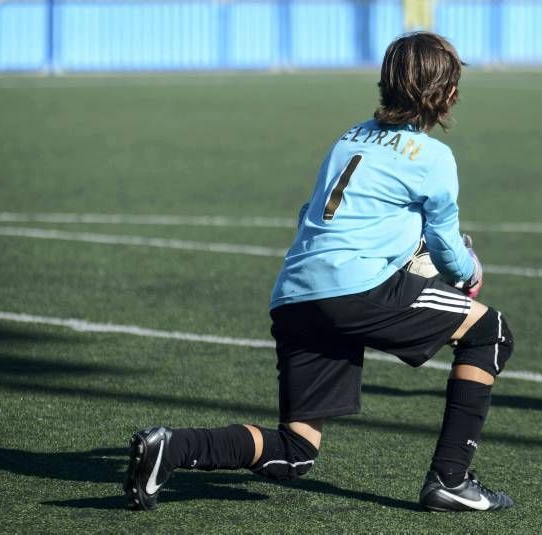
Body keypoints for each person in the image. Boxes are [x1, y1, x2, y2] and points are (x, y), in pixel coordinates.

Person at [124, 31, 514, 513]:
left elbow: (315, 214)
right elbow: (447, 248)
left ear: (385, 84)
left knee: (296, 452)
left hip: (296, 293)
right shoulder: (433, 158)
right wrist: (468, 270)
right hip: (358, 292)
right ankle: (451, 480)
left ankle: (173, 446)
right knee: (490, 332)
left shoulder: (349, 137)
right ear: (447, 93)